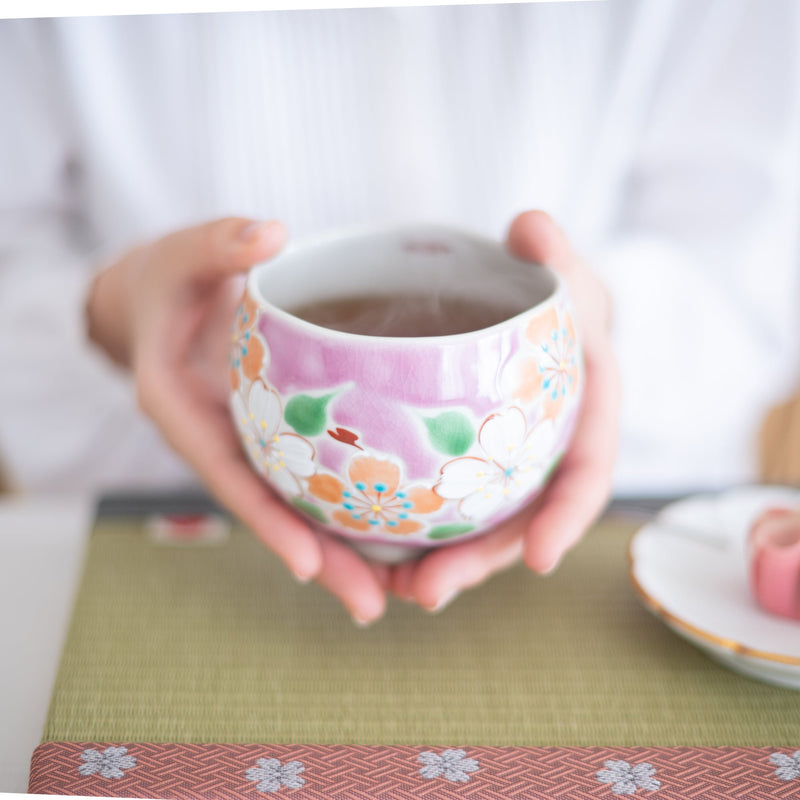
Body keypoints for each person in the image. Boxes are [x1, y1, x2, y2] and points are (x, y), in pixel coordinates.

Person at [1, 1, 798, 624]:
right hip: (137, 550)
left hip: (641, 543)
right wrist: (112, 311)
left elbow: (754, 268)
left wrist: (599, 316)